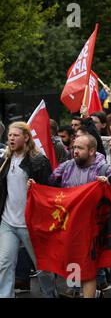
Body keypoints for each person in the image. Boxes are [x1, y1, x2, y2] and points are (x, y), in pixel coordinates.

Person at [48, 134, 111, 298]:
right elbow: (50, 182)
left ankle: (89, 293)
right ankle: (76, 292)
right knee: (72, 261)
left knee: (87, 269)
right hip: (70, 226)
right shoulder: (66, 166)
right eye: (74, 148)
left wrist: (107, 182)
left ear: (92, 150)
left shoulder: (102, 168)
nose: (75, 151)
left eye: (80, 148)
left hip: (92, 228)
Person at [0, 122, 56, 298]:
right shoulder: (5, 160)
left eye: (16, 135)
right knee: (4, 263)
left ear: (26, 137)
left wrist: (36, 186)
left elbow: (50, 190)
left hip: (31, 223)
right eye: (9, 135)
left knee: (43, 267)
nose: (11, 138)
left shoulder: (38, 160)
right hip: (8, 221)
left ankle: (50, 295)